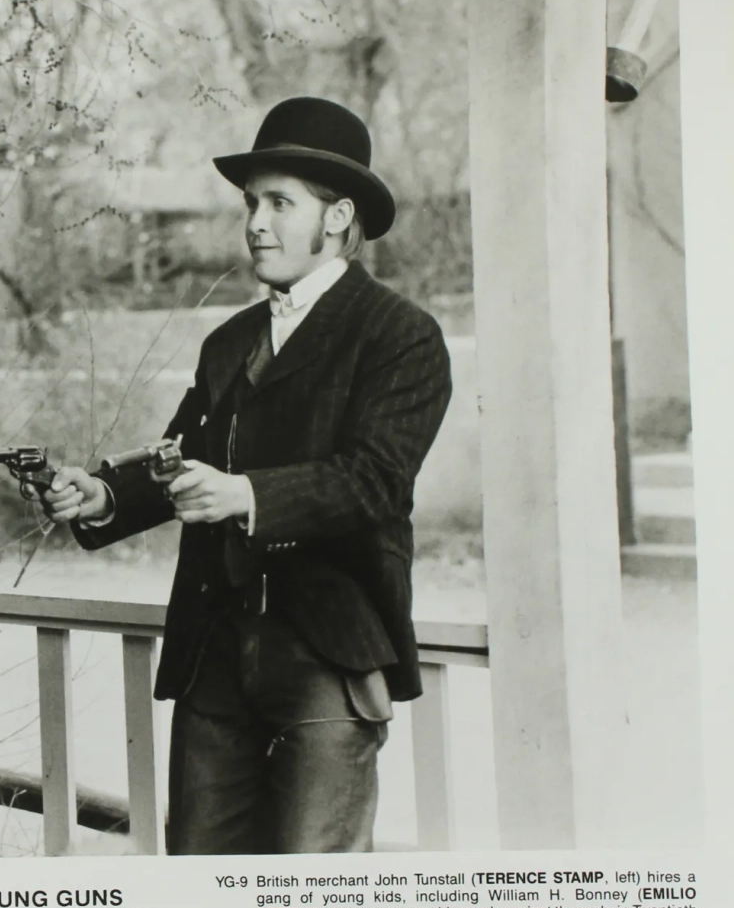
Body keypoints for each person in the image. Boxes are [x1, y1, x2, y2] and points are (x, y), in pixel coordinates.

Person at [41, 96, 453, 855]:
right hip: (215, 661)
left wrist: (247, 495)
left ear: (337, 218)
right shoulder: (230, 342)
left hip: (329, 657)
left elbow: (375, 482)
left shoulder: (400, 336)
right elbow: (180, 456)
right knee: (204, 895)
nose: (255, 223)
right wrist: (100, 497)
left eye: (278, 203)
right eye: (251, 204)